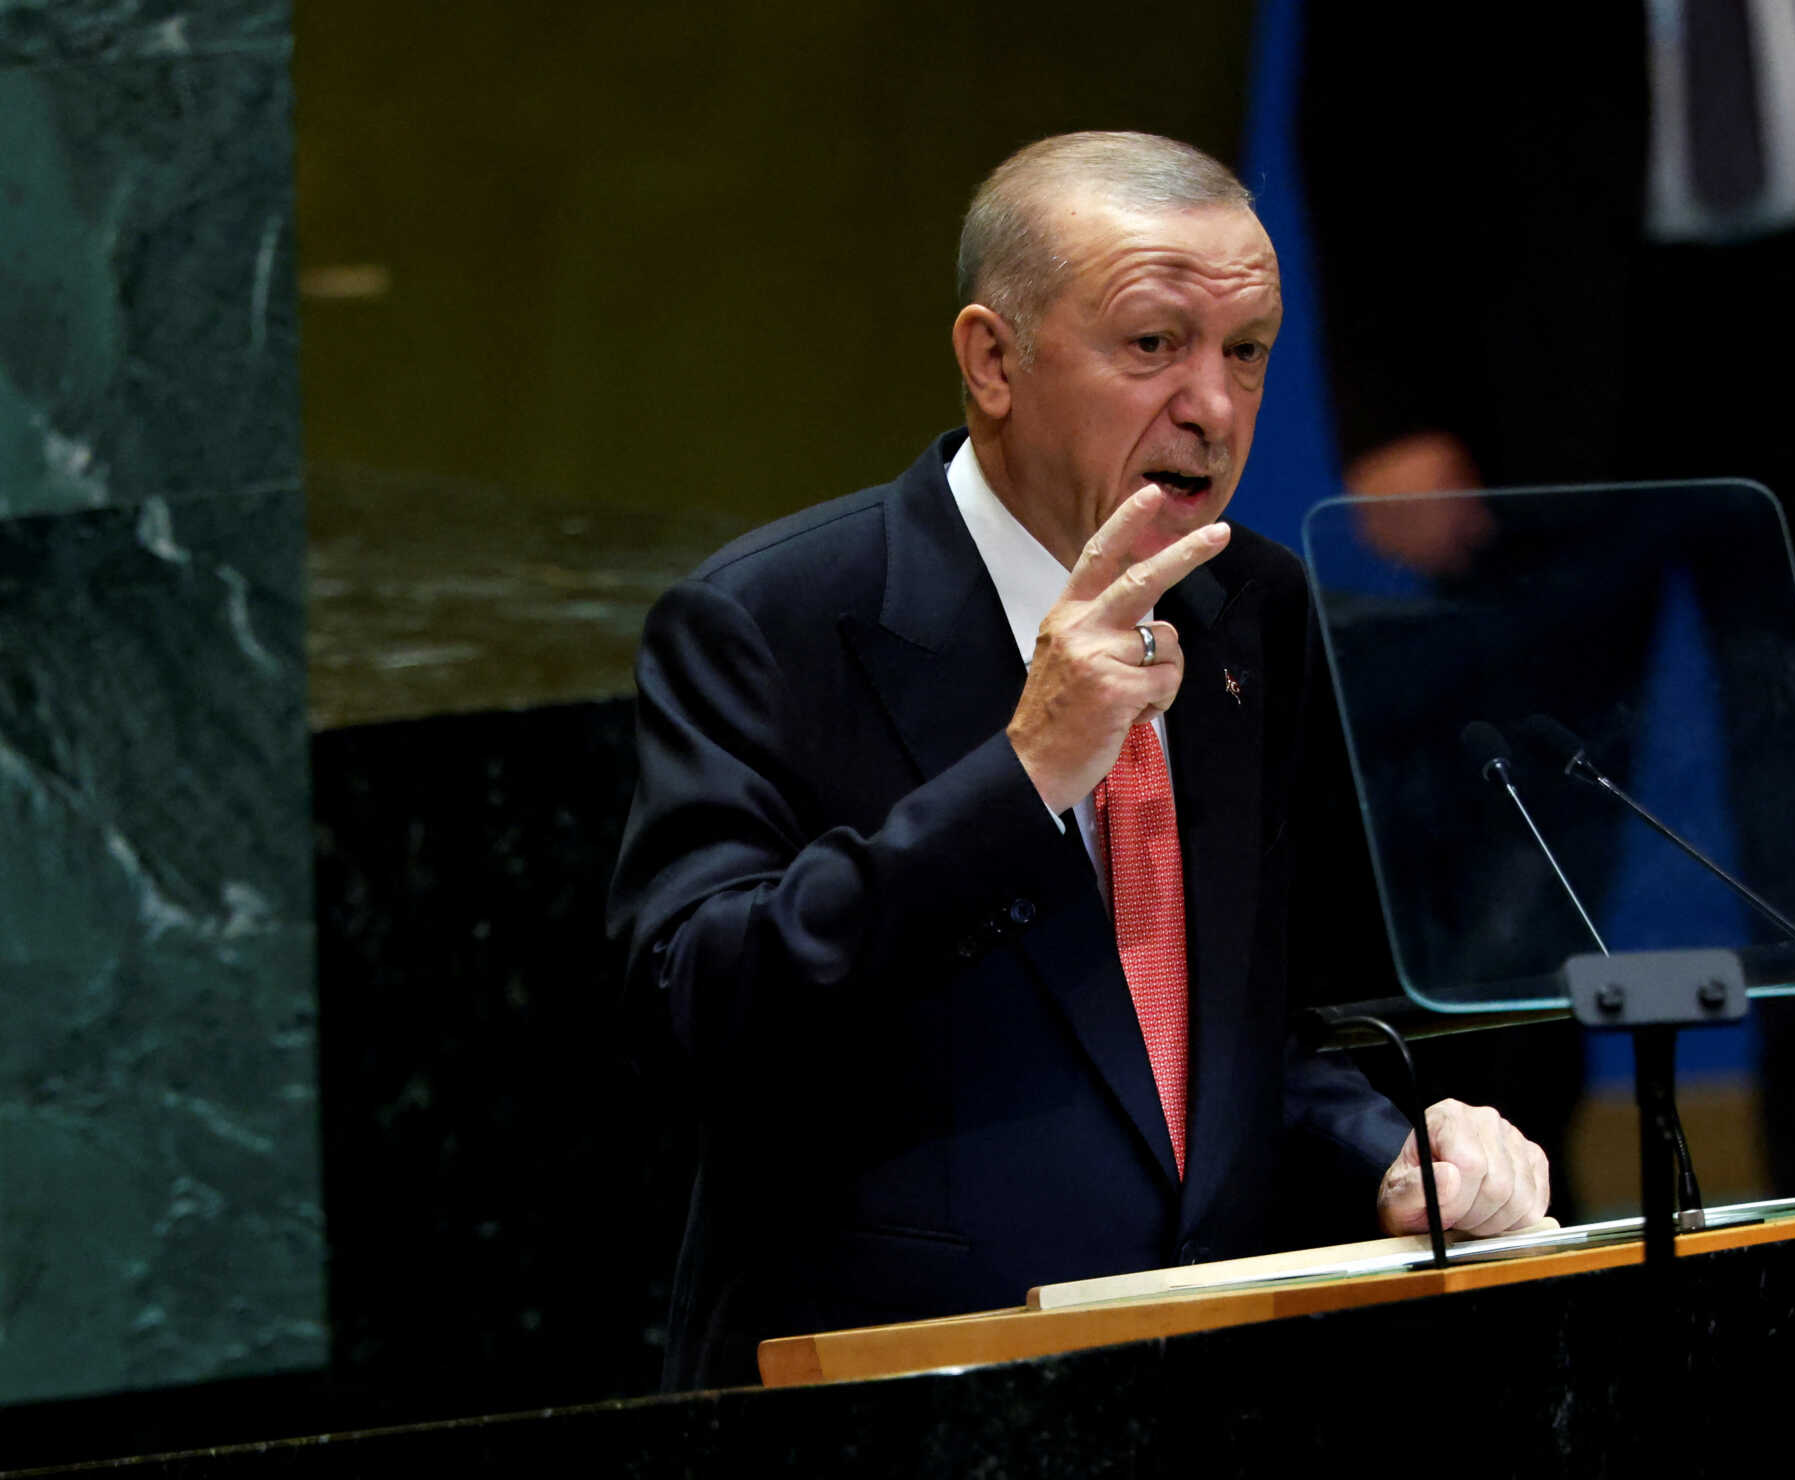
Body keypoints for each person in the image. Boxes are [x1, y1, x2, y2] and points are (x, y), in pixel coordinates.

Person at [610, 133, 1549, 1390]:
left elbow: (1256, 1038)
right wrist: (1023, 777)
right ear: (992, 359)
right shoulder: (771, 623)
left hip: (1211, 1405)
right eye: (1154, 345)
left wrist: (1390, 1150)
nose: (1212, 407)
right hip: (892, 1422)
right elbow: (701, 1008)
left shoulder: (1254, 612)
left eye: (1246, 352)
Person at [1298, 2, 1795, 1194]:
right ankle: (1505, 1232)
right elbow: (1365, 88)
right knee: (1526, 846)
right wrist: (1393, 406)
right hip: (1540, 347)